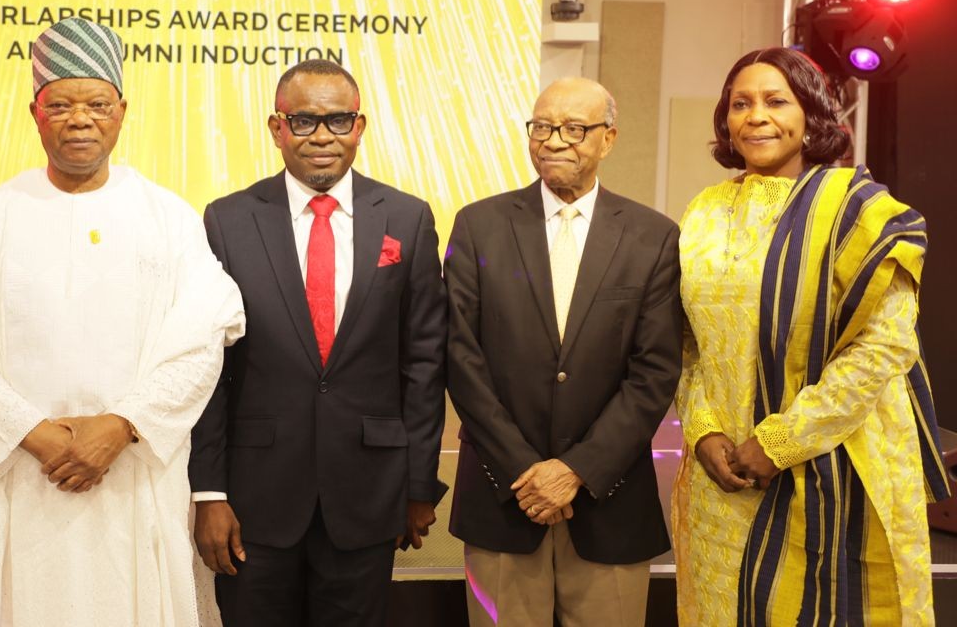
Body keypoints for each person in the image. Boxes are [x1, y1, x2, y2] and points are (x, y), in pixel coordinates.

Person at [0, 17, 245, 626]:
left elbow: (202, 340)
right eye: (59, 104)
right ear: (34, 112)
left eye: (96, 103)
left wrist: (122, 425)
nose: (79, 118)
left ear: (122, 109)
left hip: (134, 480)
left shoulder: (166, 217)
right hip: (19, 479)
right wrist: (31, 433)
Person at [672, 47, 950, 627]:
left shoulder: (861, 211)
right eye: (740, 104)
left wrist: (779, 443)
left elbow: (884, 348)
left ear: (812, 115)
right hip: (721, 481)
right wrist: (703, 433)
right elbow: (688, 345)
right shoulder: (703, 212)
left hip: (831, 466)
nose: (756, 116)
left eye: (777, 101)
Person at [189, 59, 447, 626]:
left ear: (360, 126)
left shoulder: (407, 219)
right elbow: (208, 368)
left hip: (370, 492)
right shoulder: (228, 220)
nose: (323, 136)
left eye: (338, 120)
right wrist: (208, 493)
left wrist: (419, 484)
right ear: (276, 128)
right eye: (304, 121)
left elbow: (424, 363)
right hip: (255, 499)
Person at [445, 77, 682, 627]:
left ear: (608, 139)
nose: (554, 141)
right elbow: (461, 357)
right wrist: (525, 471)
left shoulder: (653, 236)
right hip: (505, 498)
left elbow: (655, 371)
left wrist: (576, 470)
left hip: (609, 499)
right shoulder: (478, 226)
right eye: (542, 127)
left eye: (574, 129)